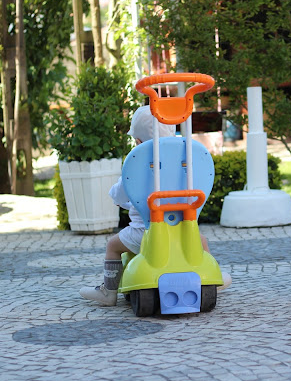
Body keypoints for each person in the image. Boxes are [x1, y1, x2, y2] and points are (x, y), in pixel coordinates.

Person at [79, 105, 231, 306]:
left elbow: (120, 193)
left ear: (138, 141)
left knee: (112, 246)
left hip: (145, 232)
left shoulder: (137, 163)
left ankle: (108, 291)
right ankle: (211, 276)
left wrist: (118, 199)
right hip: (182, 228)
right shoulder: (187, 157)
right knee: (200, 240)